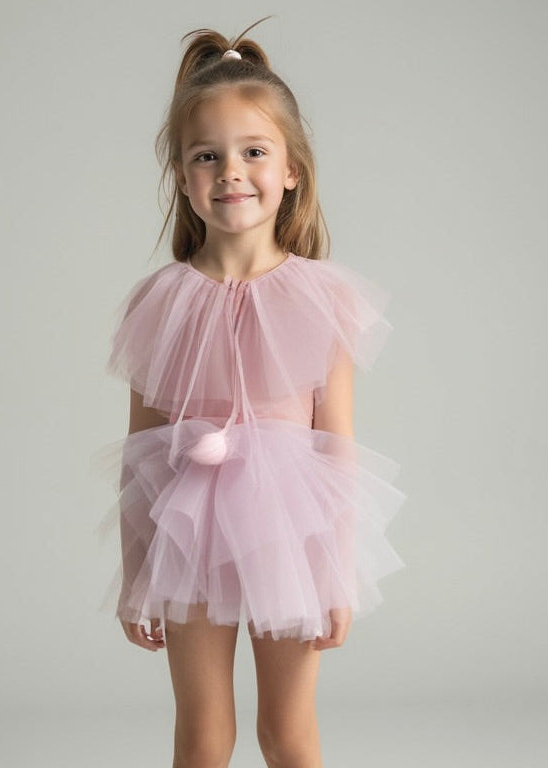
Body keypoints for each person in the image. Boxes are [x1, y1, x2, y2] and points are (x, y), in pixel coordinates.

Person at [91, 16, 406, 767]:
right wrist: (139, 576)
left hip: (291, 539)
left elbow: (336, 443)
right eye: (208, 156)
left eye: (253, 152)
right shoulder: (159, 301)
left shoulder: (321, 298)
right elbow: (143, 450)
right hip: (188, 540)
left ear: (291, 168)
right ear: (183, 175)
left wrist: (332, 573)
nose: (231, 171)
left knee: (286, 733)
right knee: (203, 737)